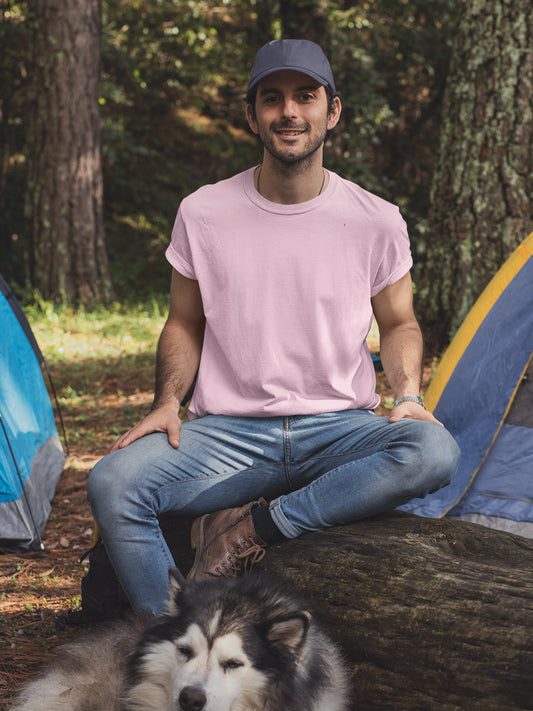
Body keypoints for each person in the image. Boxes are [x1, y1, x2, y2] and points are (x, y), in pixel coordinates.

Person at [87, 39, 461, 615]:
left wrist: (407, 393)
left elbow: (401, 322)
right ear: (252, 115)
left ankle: (252, 531)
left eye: (305, 97)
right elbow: (184, 322)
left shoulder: (376, 219)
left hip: (338, 429)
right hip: (231, 436)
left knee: (433, 449)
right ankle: (172, 643)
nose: (289, 111)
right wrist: (167, 401)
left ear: (331, 111)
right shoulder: (203, 212)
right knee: (113, 483)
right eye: (272, 98)